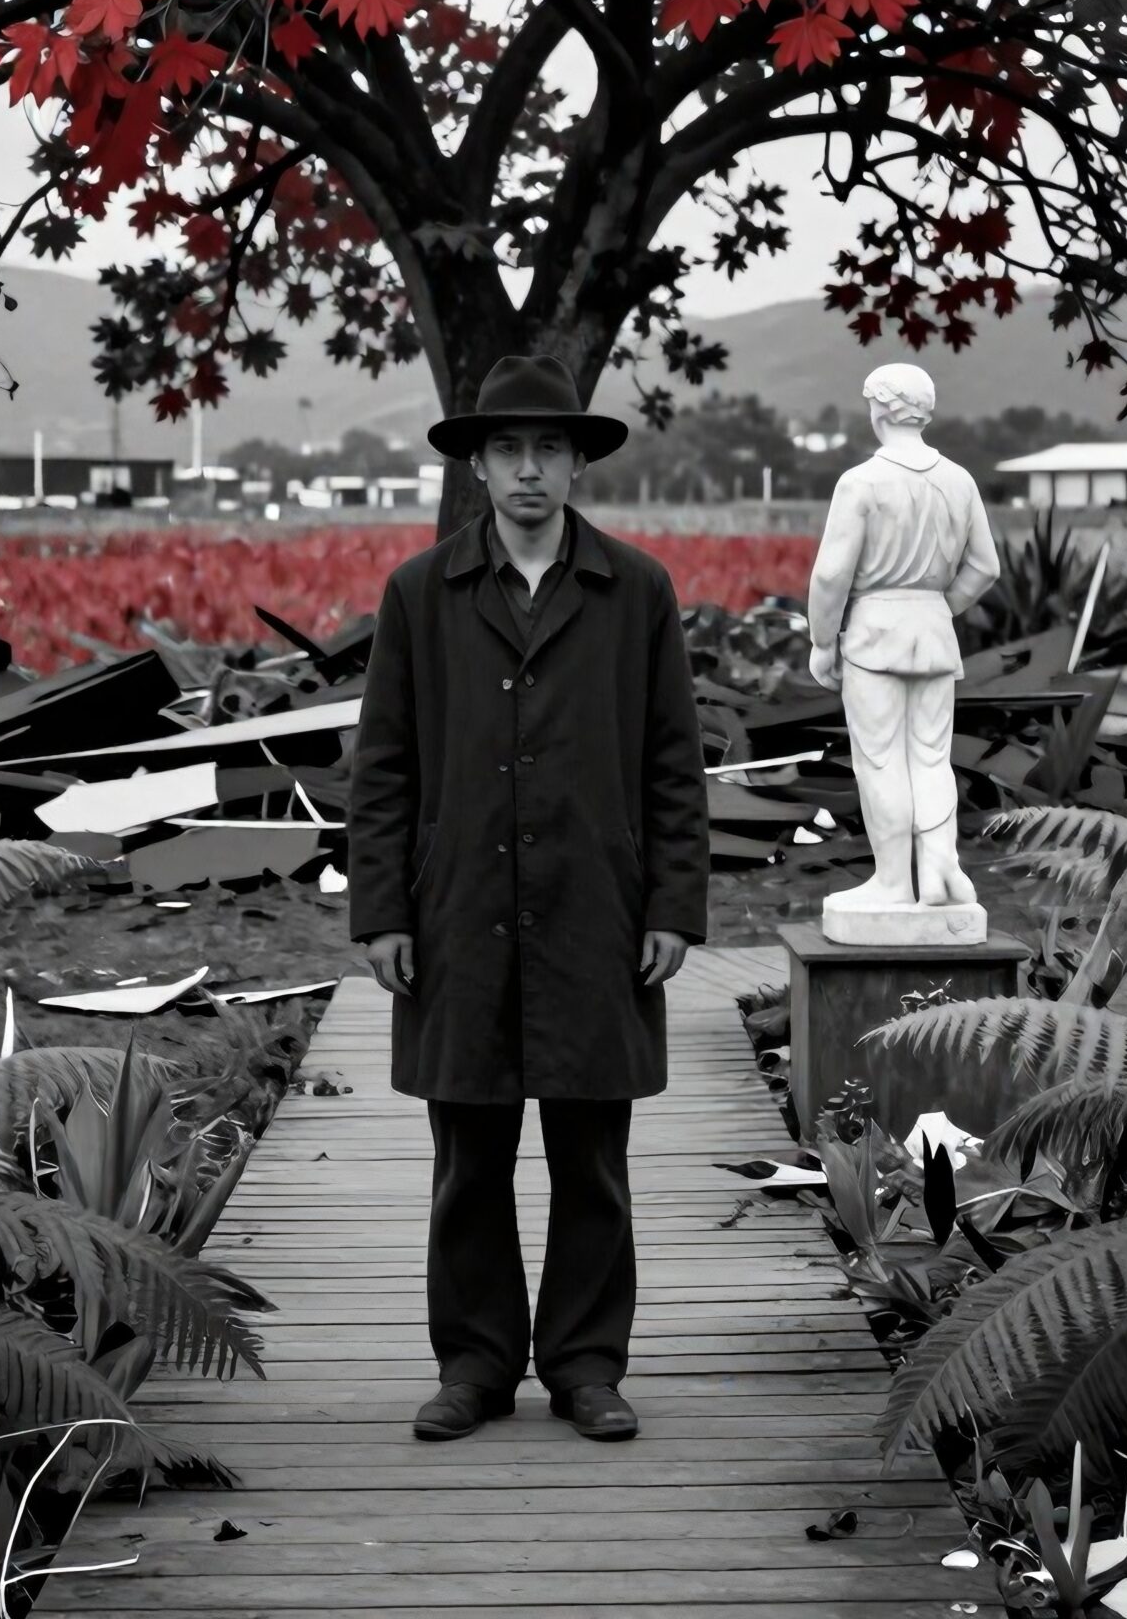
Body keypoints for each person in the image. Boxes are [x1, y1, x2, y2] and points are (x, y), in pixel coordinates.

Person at [347, 355, 711, 1444]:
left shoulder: (634, 588)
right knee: (469, 1157)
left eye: (549, 448)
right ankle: (475, 1363)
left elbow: (671, 762)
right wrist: (383, 913)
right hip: (457, 909)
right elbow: (384, 767)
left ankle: (588, 1365)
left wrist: (672, 906)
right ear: (477, 464)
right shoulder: (421, 591)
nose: (528, 470)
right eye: (507, 449)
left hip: (595, 908)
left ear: (577, 462)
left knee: (591, 1156)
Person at [806, 364, 1001, 916]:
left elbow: (829, 575)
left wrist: (824, 641)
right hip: (933, 634)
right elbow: (985, 566)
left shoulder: (862, 482)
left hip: (873, 635)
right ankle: (941, 869)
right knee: (932, 758)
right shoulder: (959, 479)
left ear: (882, 409)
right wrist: (940, 607)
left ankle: (894, 882)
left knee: (881, 759)